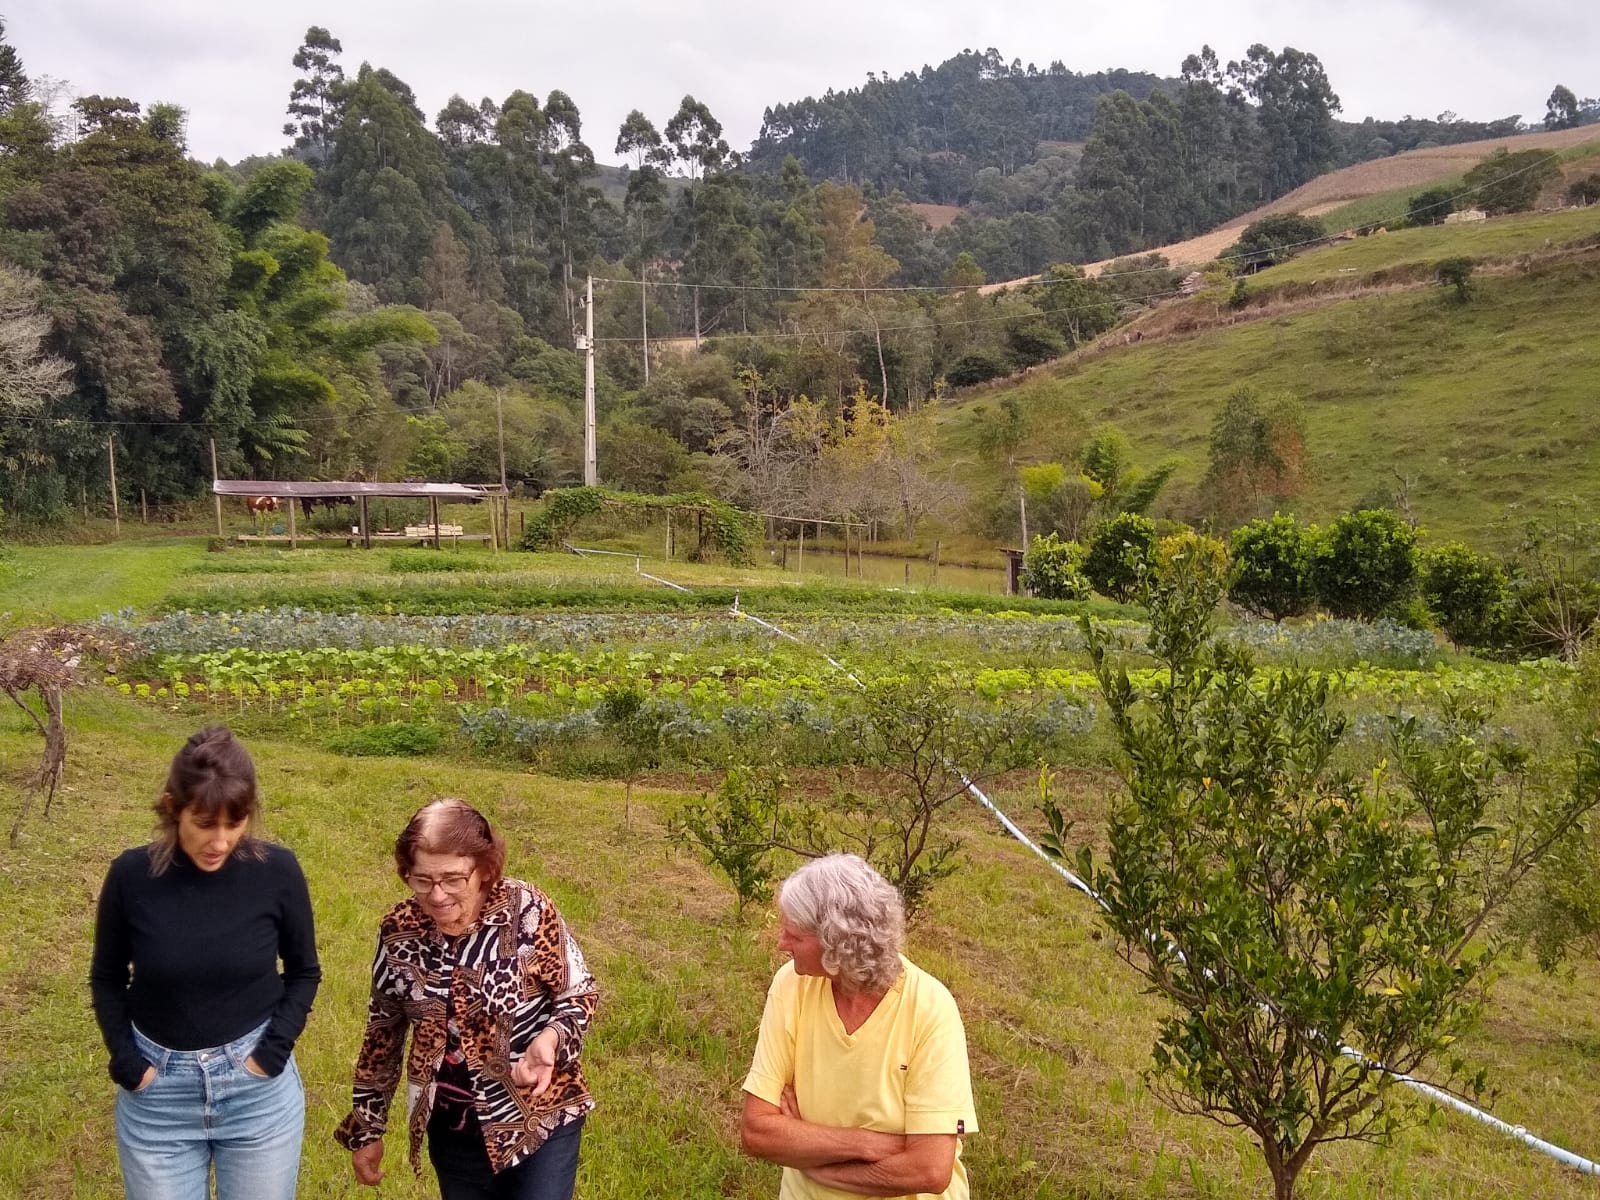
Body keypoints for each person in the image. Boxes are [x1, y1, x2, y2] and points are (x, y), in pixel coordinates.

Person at [89, 725, 321, 1200]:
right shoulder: (131, 876)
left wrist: (271, 1053)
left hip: (257, 1094)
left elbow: (303, 971)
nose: (220, 841)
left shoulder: (277, 871)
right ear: (173, 808)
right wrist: (130, 1064)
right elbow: (107, 977)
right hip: (157, 1101)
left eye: (234, 825)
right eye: (204, 823)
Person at [336, 798, 598, 1200]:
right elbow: (382, 1034)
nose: (437, 895)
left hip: (539, 1116)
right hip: (453, 1127)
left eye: (453, 879)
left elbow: (578, 993)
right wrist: (367, 1129)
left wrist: (550, 1040)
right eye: (422, 879)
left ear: (484, 870)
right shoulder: (398, 931)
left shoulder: (528, 911)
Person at [740, 854, 978, 1200]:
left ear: (837, 944)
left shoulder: (930, 1008)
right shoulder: (791, 985)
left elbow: (929, 1169)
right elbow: (757, 1132)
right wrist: (868, 1144)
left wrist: (808, 1155)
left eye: (795, 936)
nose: (781, 944)